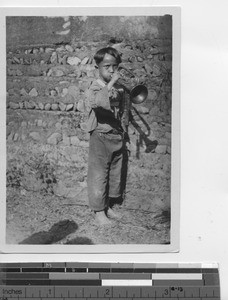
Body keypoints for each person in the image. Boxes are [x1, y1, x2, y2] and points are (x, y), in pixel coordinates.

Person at [86, 47, 127, 226]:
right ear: (98, 68)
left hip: (116, 135)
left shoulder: (119, 87)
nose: (112, 70)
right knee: (98, 174)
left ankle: (108, 206)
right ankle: (98, 212)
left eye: (115, 66)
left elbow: (124, 110)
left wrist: (123, 130)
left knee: (114, 173)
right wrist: (111, 85)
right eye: (107, 66)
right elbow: (97, 103)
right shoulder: (95, 87)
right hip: (101, 136)